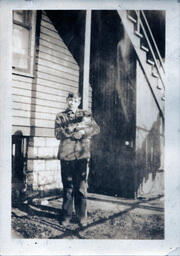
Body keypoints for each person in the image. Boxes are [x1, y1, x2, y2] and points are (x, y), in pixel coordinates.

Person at [55, 92, 100, 227]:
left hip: (81, 156)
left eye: (75, 100)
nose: (72, 103)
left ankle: (82, 217)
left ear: (79, 102)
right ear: (66, 101)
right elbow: (57, 133)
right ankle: (67, 216)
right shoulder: (60, 116)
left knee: (81, 187)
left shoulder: (85, 115)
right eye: (70, 100)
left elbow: (96, 128)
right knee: (68, 188)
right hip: (66, 155)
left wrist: (83, 133)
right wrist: (73, 131)